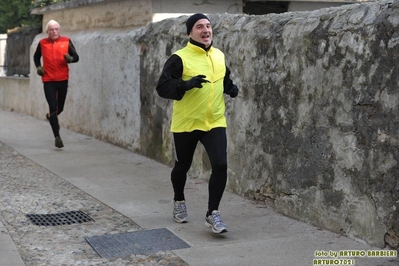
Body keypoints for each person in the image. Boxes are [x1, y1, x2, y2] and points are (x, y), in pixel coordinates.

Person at [156, 13, 239, 234]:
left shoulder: (219, 56)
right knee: (182, 166)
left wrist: (230, 89)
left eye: (208, 26)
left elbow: (224, 79)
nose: (205, 30)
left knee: (220, 165)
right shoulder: (179, 58)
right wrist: (185, 84)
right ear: (190, 32)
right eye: (199, 26)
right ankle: (179, 200)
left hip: (214, 121)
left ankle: (213, 213)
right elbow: (162, 87)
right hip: (187, 123)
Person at [33, 20, 79, 148]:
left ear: (59, 30)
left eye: (56, 29)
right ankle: (57, 137)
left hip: (63, 79)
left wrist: (71, 59)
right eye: (51, 30)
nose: (54, 31)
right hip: (48, 80)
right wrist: (38, 67)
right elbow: (36, 57)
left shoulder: (66, 41)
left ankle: (51, 117)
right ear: (47, 31)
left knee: (60, 108)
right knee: (53, 107)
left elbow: (76, 57)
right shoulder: (42, 43)